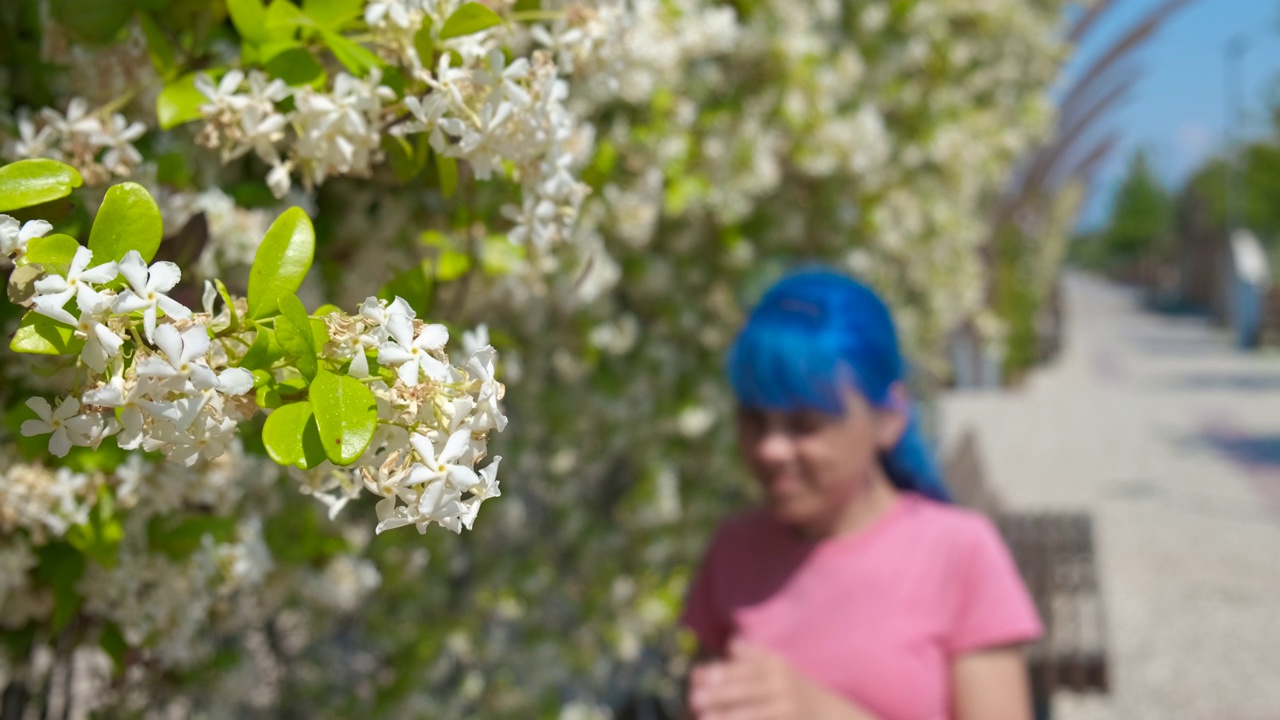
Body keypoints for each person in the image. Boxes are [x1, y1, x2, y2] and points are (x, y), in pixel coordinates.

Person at [682, 269, 1042, 720]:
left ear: (889, 419)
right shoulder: (734, 550)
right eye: (754, 420)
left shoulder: (959, 553)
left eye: (805, 424)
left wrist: (819, 712)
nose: (770, 449)